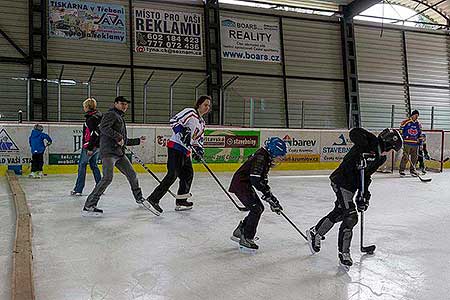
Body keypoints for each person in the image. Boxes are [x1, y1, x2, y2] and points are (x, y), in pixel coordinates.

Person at [306, 128, 402, 268]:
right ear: (389, 143)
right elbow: (354, 132)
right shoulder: (370, 141)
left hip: (351, 187)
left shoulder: (380, 158)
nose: (390, 152)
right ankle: (344, 253)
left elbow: (366, 177)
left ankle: (316, 232)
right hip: (341, 181)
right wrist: (365, 148)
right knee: (350, 216)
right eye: (392, 148)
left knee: (340, 213)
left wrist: (364, 197)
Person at [145, 95, 211, 215]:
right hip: (175, 147)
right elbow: (174, 120)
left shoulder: (202, 123)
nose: (207, 107)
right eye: (205, 104)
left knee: (188, 175)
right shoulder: (190, 112)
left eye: (209, 106)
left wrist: (199, 150)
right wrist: (182, 131)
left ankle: (181, 201)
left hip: (186, 152)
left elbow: (197, 140)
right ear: (199, 104)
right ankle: (153, 199)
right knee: (172, 175)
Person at [82, 96, 146, 217]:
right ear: (115, 103)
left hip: (119, 153)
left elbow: (122, 140)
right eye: (122, 104)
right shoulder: (111, 114)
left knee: (132, 174)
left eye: (126, 104)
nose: (125, 106)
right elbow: (103, 128)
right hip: (109, 153)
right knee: (107, 178)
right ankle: (90, 204)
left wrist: (137, 141)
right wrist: (118, 137)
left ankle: (139, 198)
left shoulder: (120, 117)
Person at [228, 137, 287, 252]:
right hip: (241, 184)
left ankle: (240, 232)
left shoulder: (265, 156)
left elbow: (262, 179)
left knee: (258, 208)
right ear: (273, 151)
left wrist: (270, 196)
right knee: (256, 209)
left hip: (244, 184)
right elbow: (255, 179)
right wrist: (267, 195)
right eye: (278, 156)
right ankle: (247, 238)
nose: (279, 159)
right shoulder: (261, 157)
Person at [71, 98, 102, 196]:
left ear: (87, 107)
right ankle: (100, 186)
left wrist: (89, 148)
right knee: (93, 165)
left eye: (84, 106)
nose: (83, 108)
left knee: (82, 165)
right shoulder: (99, 116)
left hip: (90, 146)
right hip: (98, 146)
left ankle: (78, 189)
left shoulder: (91, 118)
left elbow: (94, 133)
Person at [399, 110, 422, 176]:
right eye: (416, 115)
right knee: (405, 157)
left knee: (414, 158)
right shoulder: (405, 122)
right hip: (407, 143)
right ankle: (401, 170)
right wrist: (403, 138)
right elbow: (400, 131)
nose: (417, 117)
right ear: (412, 115)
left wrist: (420, 143)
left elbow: (420, 134)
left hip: (415, 144)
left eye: (418, 116)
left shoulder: (418, 124)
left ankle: (412, 170)